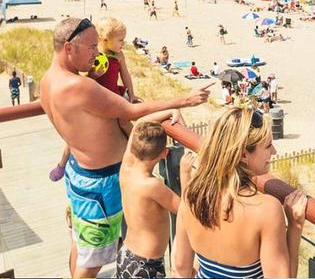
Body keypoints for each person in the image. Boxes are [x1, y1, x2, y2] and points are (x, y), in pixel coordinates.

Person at [40, 17, 213, 279]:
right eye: (91, 47)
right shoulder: (78, 86)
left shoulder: (48, 81)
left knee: (81, 242)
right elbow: (130, 110)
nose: (97, 53)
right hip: (100, 183)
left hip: (79, 172)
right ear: (68, 48)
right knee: (92, 259)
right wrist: (185, 100)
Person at [175, 107, 307, 278]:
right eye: (268, 146)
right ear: (243, 155)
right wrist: (295, 227)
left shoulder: (192, 197)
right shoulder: (266, 210)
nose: (274, 152)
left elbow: (181, 268)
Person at [49, 17, 141, 181]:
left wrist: (132, 94)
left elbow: (125, 74)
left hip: (113, 95)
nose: (123, 44)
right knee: (73, 138)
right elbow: (84, 79)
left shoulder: (119, 56)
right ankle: (61, 164)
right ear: (106, 40)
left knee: (125, 123)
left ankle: (136, 152)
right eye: (120, 40)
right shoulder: (95, 55)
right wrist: (92, 75)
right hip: (95, 97)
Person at [117, 110, 194, 278]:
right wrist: (185, 176)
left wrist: (172, 110)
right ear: (164, 153)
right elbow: (186, 211)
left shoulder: (127, 168)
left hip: (126, 255)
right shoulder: (152, 186)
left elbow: (139, 123)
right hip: (146, 265)